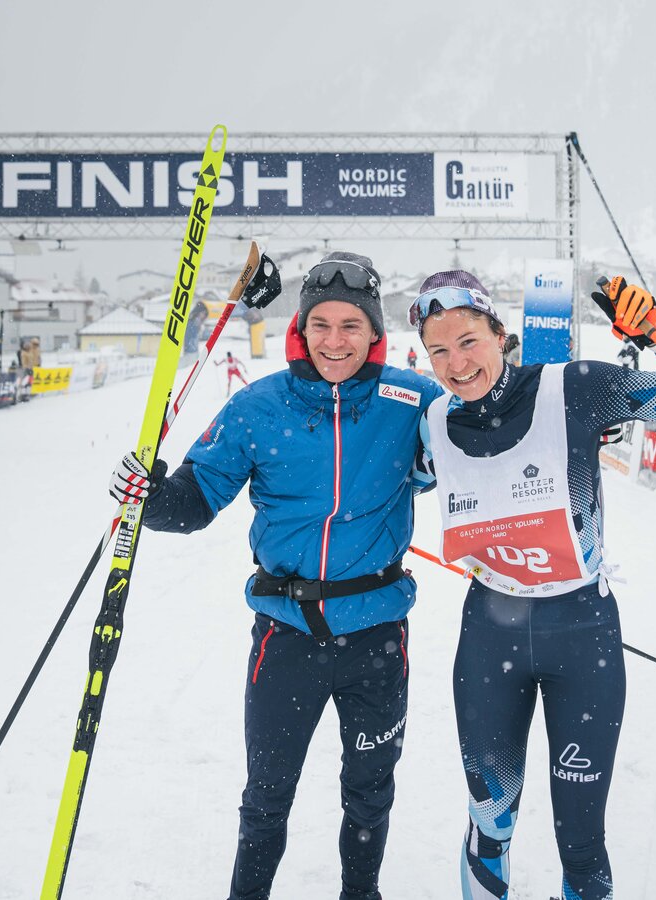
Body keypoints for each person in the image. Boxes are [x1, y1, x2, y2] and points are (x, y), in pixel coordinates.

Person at [109, 250, 442, 900]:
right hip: (286, 638)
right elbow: (195, 500)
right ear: (301, 327)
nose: (335, 341)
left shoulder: (412, 400)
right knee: (266, 796)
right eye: (321, 324)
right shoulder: (257, 407)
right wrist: (150, 497)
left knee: (370, 793)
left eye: (351, 325)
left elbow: (482, 435)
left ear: (375, 330)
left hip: (376, 636)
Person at [409, 271, 656, 900]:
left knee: (582, 839)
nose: (456, 364)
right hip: (489, 639)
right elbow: (384, 484)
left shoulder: (574, 389)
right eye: (439, 350)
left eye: (469, 341)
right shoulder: (435, 423)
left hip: (583, 634)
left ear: (500, 334)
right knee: (490, 822)